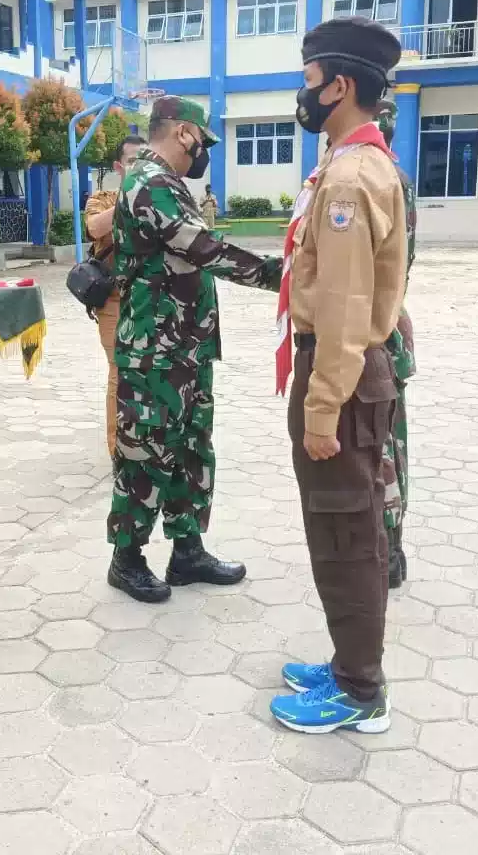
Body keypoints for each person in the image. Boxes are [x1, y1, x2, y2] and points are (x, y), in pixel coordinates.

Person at [270, 16, 405, 735]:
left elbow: (350, 308)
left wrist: (322, 408)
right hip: (346, 369)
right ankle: (351, 660)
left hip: (340, 372)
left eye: (310, 78)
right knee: (342, 528)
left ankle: (359, 691)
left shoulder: (352, 176)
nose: (305, 90)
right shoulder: (354, 162)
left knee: (346, 534)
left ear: (341, 85)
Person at [107, 95, 282, 603]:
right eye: (202, 142)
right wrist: (281, 275)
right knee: (146, 454)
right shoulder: (149, 183)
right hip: (154, 352)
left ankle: (187, 550)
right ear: (184, 133)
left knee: (189, 451)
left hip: (184, 346)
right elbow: (205, 248)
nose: (203, 153)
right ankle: (127, 558)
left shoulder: (170, 185)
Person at [83, 134, 147, 459]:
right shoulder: (103, 199)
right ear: (119, 166)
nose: (141, 167)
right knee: (119, 371)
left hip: (149, 300)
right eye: (134, 161)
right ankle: (117, 449)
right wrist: (129, 200)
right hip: (112, 302)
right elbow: (94, 228)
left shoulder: (157, 199)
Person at [376, 99, 416, 589]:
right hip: (389, 329)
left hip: (371, 338)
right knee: (391, 444)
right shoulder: (398, 178)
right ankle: (392, 548)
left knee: (378, 447)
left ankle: (383, 552)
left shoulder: (372, 179)